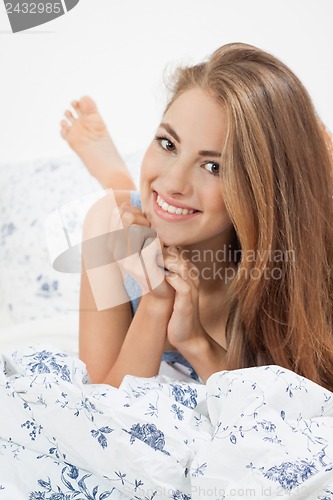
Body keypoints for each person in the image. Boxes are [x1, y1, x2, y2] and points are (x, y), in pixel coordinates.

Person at [61, 42, 333, 391]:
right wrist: (155, 303)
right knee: (129, 205)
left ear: (262, 189)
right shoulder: (108, 224)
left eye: (213, 166)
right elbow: (100, 406)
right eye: (167, 143)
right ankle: (114, 173)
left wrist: (195, 341)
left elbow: (270, 403)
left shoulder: (291, 265)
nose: (174, 181)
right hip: (146, 219)